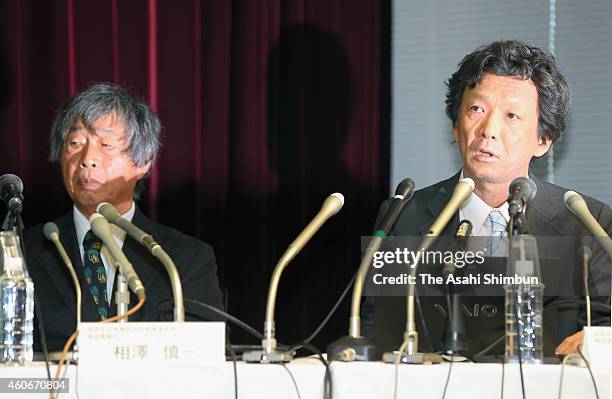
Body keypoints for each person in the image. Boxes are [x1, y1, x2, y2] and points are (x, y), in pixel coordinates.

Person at [363, 40, 611, 356]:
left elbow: (606, 329)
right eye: (476, 109)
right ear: (456, 125)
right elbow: (377, 334)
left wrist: (598, 343)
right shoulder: (404, 218)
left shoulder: (588, 225)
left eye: (511, 115)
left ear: (543, 140)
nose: (489, 129)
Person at [24, 83, 224, 352]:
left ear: (143, 162)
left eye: (105, 144)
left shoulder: (185, 259)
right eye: (75, 143)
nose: (87, 159)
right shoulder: (24, 253)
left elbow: (204, 356)